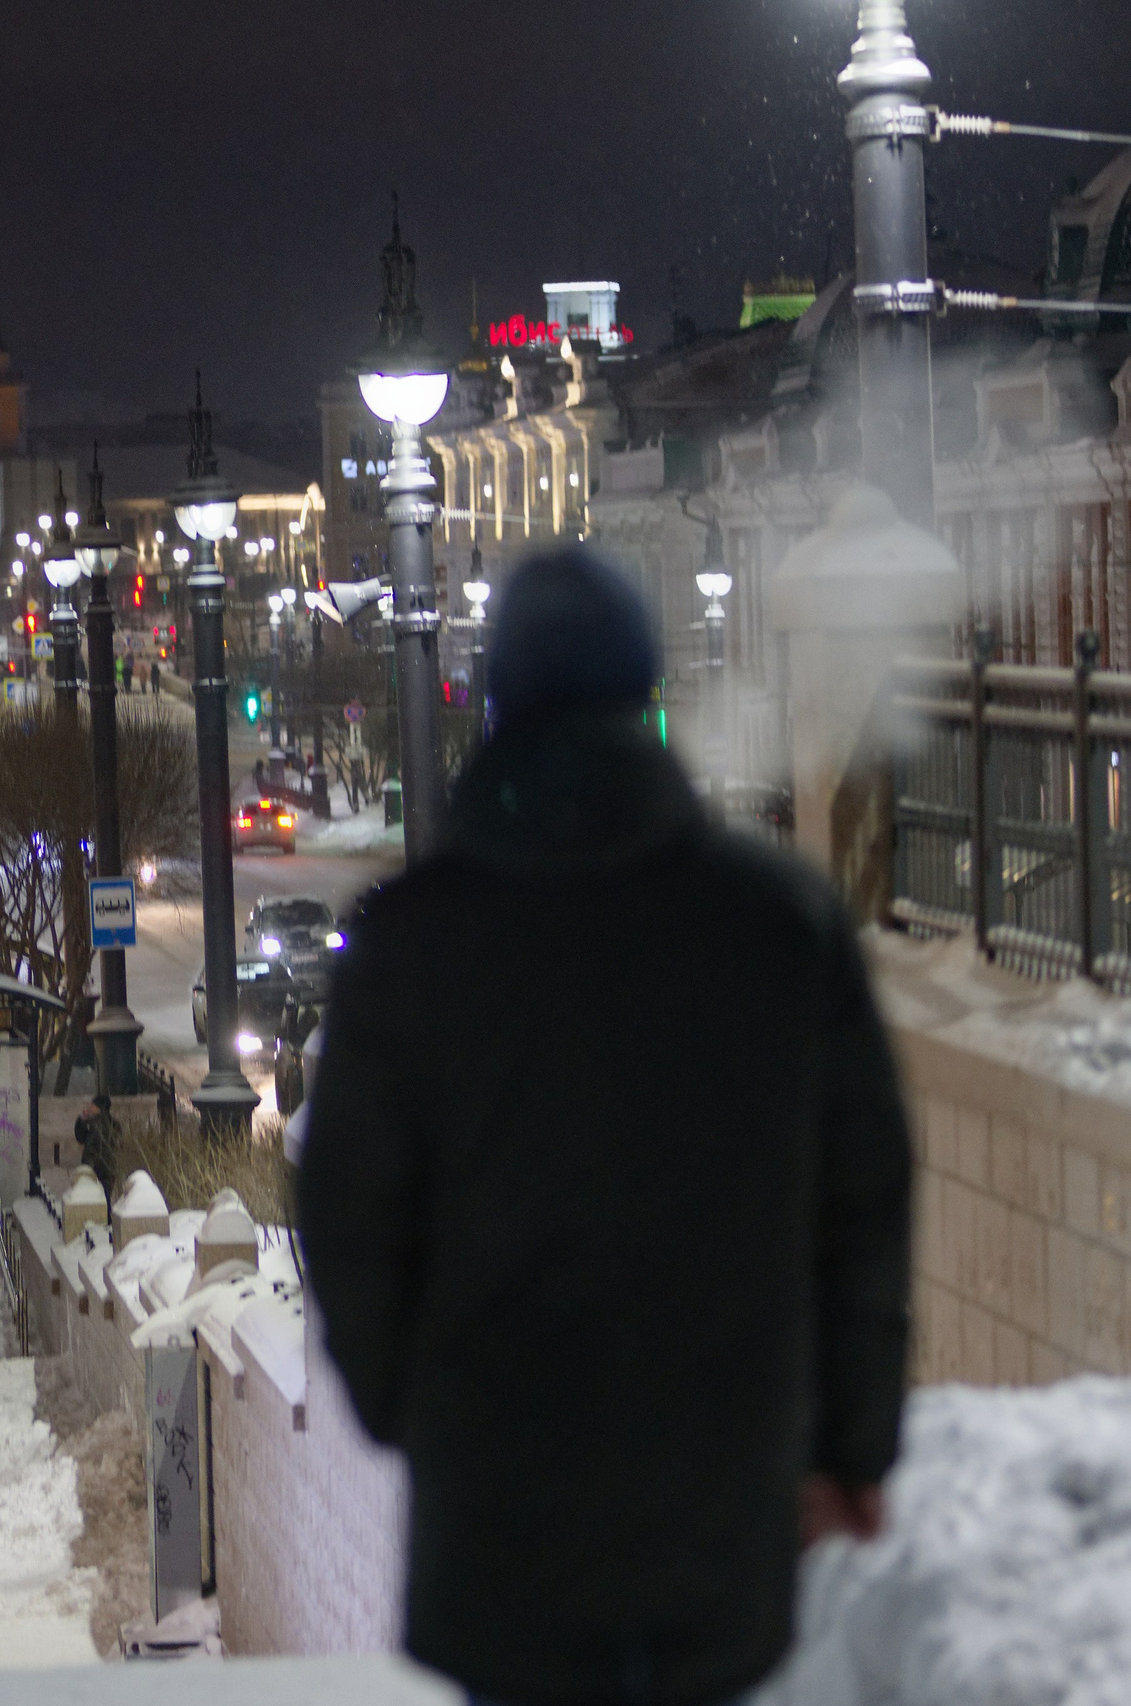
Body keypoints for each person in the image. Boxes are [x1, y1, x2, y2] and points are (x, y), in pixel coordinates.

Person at [296, 545, 912, 1706]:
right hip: (720, 1487)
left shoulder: (414, 940)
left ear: (498, 699)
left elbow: (347, 1206)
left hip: (498, 1498)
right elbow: (860, 1200)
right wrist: (849, 1442)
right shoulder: (776, 921)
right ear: (645, 692)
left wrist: (407, 1401)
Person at [71, 1094, 120, 1197]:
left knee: (98, 1197)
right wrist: (82, 1121)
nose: (90, 1107)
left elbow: (86, 1141)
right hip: (104, 1166)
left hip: (98, 1167)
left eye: (93, 1105)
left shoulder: (98, 1124)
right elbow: (81, 1137)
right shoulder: (95, 1122)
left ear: (99, 1107)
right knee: (102, 1197)